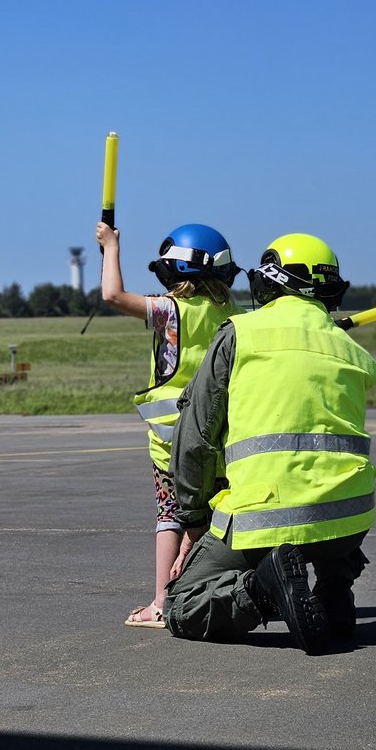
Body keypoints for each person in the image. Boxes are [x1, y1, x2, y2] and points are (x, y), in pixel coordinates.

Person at [164, 233, 376, 654]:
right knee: (324, 490)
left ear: (269, 282)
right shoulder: (350, 350)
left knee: (182, 604)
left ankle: (265, 588)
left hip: (265, 518)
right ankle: (334, 592)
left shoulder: (241, 333)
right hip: (348, 521)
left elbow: (197, 439)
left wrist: (193, 521)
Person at [96, 221, 242, 629]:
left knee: (171, 518)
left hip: (172, 449)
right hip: (223, 444)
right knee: (216, 519)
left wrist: (111, 247)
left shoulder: (169, 311)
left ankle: (162, 603)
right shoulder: (237, 317)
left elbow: (112, 295)